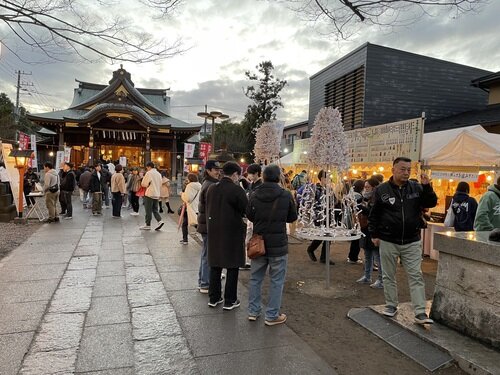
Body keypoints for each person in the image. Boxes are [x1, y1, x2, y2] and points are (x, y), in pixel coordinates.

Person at [368, 157, 437, 325]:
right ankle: (391, 305)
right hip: (388, 239)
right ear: (393, 170)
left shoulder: (416, 188)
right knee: (388, 275)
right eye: (402, 169)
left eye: (408, 169)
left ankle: (420, 311)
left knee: (415, 275)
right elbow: (374, 213)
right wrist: (374, 235)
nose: (406, 172)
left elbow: (431, 202)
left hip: (412, 240)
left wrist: (427, 186)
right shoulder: (382, 190)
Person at [247, 164, 298, 326]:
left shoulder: (254, 194)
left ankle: (253, 311)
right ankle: (272, 315)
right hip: (278, 244)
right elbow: (292, 217)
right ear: (278, 177)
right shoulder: (285, 195)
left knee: (255, 278)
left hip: (259, 243)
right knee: (277, 280)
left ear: (263, 176)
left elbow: (250, 215)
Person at [206, 161, 248, 310]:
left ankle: (214, 297)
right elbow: (246, 209)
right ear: (235, 174)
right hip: (232, 231)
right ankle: (230, 300)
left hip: (214, 231)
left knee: (215, 264)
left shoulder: (212, 188)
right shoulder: (236, 190)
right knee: (232, 266)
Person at [197, 160, 222, 294]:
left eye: (218, 169)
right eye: (215, 169)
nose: (218, 172)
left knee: (205, 253)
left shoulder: (208, 183)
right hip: (208, 225)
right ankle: (205, 283)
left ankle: (202, 280)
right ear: (208, 170)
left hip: (205, 224)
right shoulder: (210, 185)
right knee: (208, 255)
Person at [356, 177, 383, 289]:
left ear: (374, 187)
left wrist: (361, 207)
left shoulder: (378, 199)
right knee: (367, 255)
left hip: (375, 231)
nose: (366, 189)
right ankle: (367, 276)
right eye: (365, 187)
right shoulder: (365, 198)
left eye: (368, 187)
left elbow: (373, 214)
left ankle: (381, 280)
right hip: (366, 229)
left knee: (378, 257)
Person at [306, 170, 334, 265]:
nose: (329, 179)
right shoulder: (316, 189)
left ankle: (323, 257)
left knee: (328, 236)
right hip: (319, 216)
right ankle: (311, 249)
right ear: (322, 178)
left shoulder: (328, 189)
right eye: (328, 178)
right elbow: (312, 203)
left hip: (328, 215)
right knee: (322, 235)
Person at [140, 161, 164, 231]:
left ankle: (148, 224)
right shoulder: (158, 174)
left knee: (148, 210)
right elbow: (160, 184)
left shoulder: (149, 173)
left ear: (149, 167)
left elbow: (144, 184)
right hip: (156, 193)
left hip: (150, 193)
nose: (147, 169)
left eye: (147, 167)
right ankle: (160, 221)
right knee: (155, 209)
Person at [347, 179, 365, 264]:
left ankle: (352, 256)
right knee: (356, 240)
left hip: (350, 219)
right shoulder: (358, 196)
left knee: (355, 239)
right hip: (355, 220)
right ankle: (353, 258)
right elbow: (357, 209)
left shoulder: (351, 194)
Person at [180, 173, 202, 242]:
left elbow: (187, 198)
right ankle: (204, 236)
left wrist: (182, 194)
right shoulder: (200, 185)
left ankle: (185, 239)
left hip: (190, 208)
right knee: (196, 222)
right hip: (197, 207)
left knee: (185, 224)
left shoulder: (190, 186)